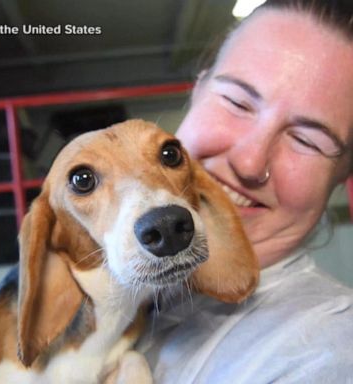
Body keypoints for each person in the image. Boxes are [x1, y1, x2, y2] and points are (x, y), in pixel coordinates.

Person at [137, 0, 353, 382]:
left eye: (307, 140)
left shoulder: (326, 353)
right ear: (199, 90)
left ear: (340, 176)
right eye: (237, 102)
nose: (250, 162)